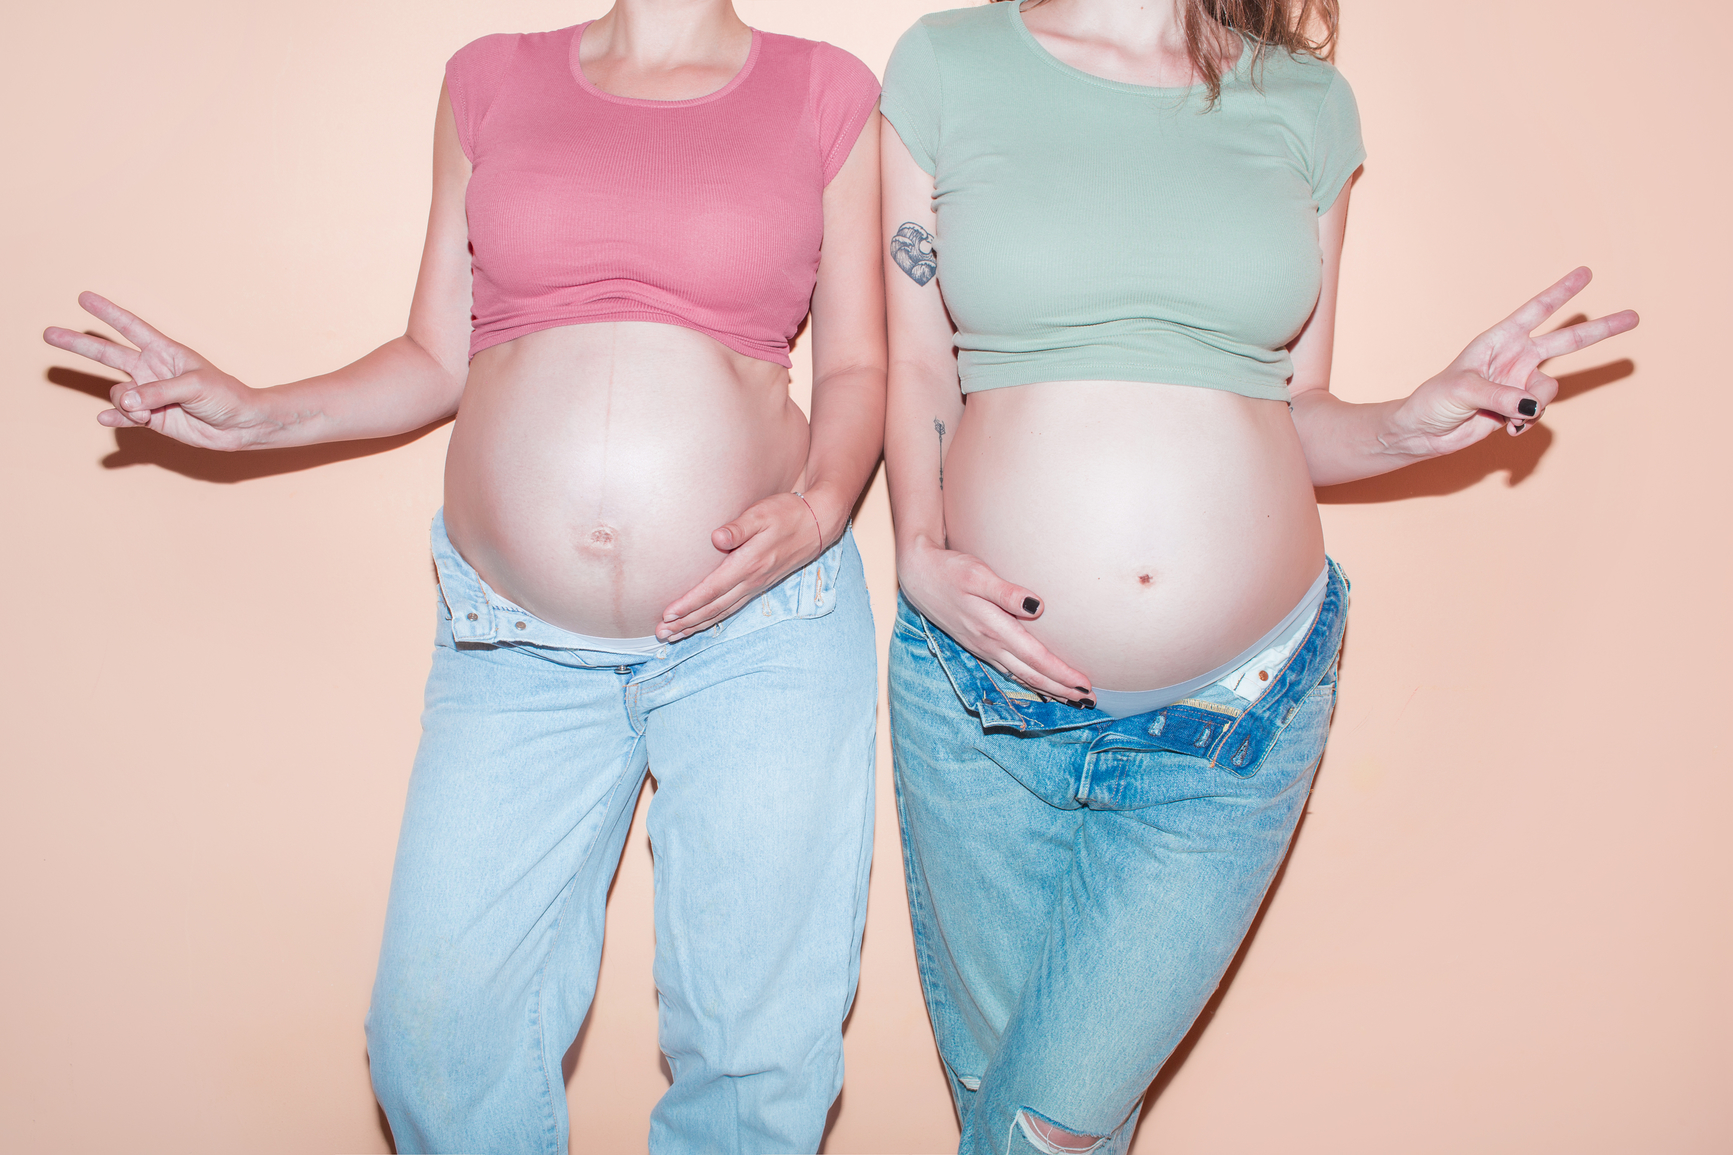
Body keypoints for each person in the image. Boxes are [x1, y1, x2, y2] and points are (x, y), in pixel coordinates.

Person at [43, 1, 885, 1150]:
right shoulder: (490, 78)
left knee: (756, 1057)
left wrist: (822, 504)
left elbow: (854, 361)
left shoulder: (826, 90)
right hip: (515, 644)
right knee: (433, 1043)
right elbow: (437, 354)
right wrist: (253, 414)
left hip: (761, 631)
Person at [876, 1, 1637, 1152]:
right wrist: (917, 553)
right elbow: (920, 369)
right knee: (1009, 1105)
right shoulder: (945, 64)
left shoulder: (1305, 105)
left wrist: (1413, 421)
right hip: (980, 696)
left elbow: (1299, 416)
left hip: (1235, 710)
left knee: (1036, 1131)